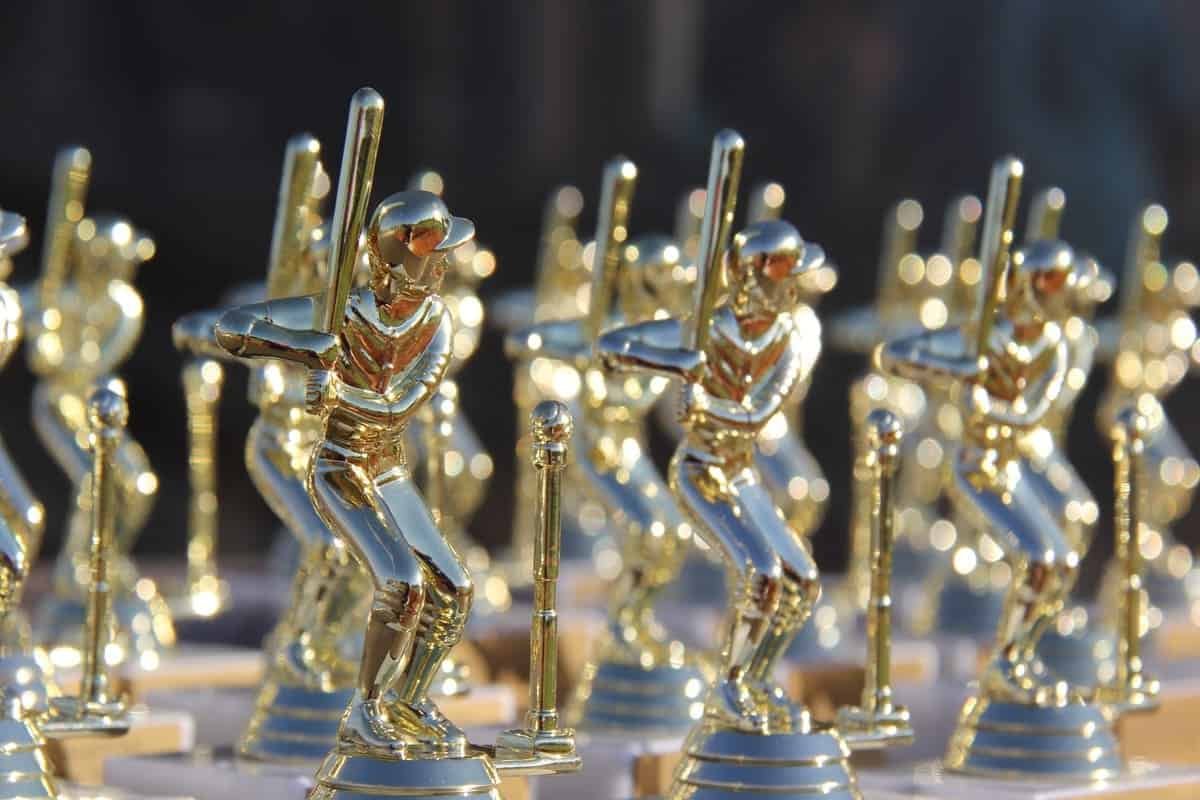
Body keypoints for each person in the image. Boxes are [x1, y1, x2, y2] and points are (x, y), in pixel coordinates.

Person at [216, 190, 474, 755]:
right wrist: (304, 346)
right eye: (436, 254)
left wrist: (338, 395)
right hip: (339, 468)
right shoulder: (343, 311)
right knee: (401, 582)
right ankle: (366, 710)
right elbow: (232, 329)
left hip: (387, 468)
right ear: (400, 263)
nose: (445, 264)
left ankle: (408, 702)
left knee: (454, 588)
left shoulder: (438, 322)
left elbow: (398, 407)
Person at [599, 219, 824, 732]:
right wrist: (676, 362)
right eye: (784, 276)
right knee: (761, 574)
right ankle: (730, 688)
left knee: (804, 582)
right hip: (700, 472)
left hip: (738, 472)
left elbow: (755, 414)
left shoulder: (789, 339)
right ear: (750, 282)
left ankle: (757, 681)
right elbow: (612, 347)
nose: (794, 288)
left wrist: (701, 399)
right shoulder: (702, 330)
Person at [878, 239, 1096, 704]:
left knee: (1063, 562)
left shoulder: (1053, 346)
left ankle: (1019, 656)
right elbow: (894, 355)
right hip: (976, 470)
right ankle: (1006, 663)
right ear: (1028, 288)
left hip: (1008, 467)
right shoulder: (980, 336)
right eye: (1052, 284)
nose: (1061, 296)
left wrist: (982, 402)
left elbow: (1032, 413)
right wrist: (956, 365)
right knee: (1040, 559)